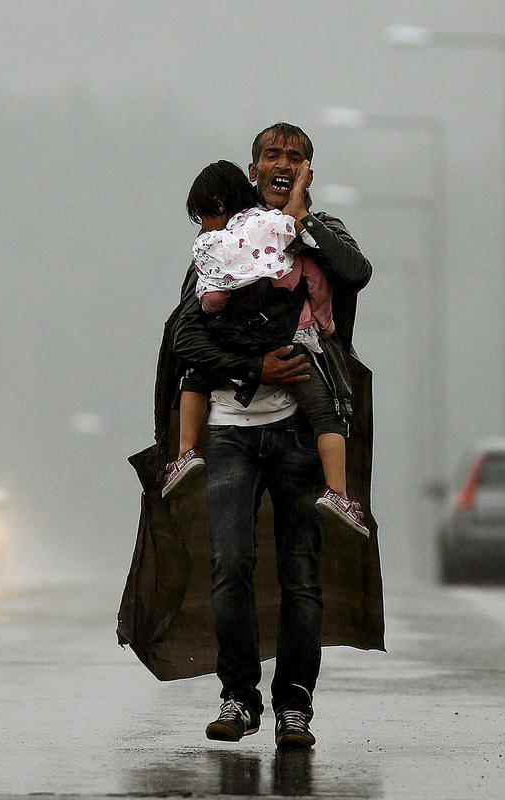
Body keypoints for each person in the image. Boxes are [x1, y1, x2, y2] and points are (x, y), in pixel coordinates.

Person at [170, 122, 373, 749]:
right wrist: (252, 366)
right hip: (231, 430)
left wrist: (302, 214)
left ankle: (295, 706)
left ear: (309, 168)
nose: (281, 163)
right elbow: (187, 336)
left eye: (294, 157)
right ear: (252, 168)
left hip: (298, 435)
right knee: (230, 565)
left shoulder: (320, 233)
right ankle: (238, 698)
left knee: (300, 575)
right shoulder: (226, 239)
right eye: (270, 155)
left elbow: (356, 272)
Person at [162, 159, 366, 537]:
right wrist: (322, 319)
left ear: (219, 205)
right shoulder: (286, 227)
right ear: (252, 172)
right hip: (292, 346)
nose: (205, 226)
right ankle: (338, 491)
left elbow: (204, 307)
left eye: (204, 216)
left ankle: (185, 453)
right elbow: (317, 278)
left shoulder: (219, 241)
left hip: (235, 347)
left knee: (195, 375)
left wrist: (216, 311)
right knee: (327, 413)